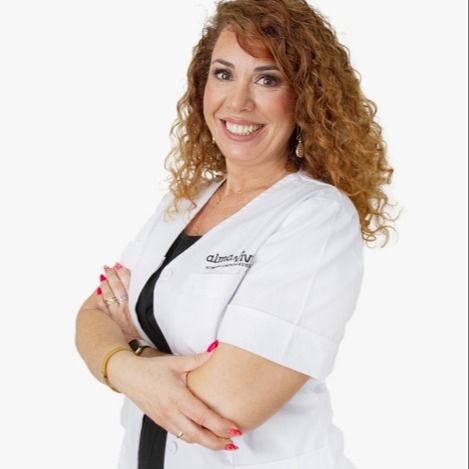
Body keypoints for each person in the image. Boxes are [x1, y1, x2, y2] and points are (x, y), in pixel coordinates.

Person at [75, 0, 396, 468]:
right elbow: (90, 316)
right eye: (224, 74)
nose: (238, 102)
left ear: (305, 97)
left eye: (268, 79)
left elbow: (229, 404)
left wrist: (124, 356)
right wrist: (121, 360)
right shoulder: (185, 201)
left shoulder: (317, 218)